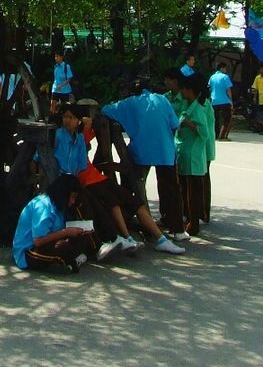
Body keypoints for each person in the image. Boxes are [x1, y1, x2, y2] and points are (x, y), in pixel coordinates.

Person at [54, 103, 181, 256]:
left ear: (78, 120)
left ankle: (161, 239)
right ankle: (126, 237)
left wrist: (85, 122)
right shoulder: (60, 136)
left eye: (71, 117)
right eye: (65, 117)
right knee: (113, 202)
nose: (67, 120)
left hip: (97, 177)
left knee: (135, 202)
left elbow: (91, 123)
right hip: (84, 181)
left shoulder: (81, 136)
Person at [102, 79, 186, 242]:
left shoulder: (130, 103)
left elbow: (106, 109)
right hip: (165, 151)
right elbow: (175, 124)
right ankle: (178, 229)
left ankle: (130, 219)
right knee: (172, 189)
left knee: (129, 183)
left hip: (141, 152)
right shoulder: (162, 99)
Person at [11, 174, 97, 273]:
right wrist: (66, 232)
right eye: (72, 197)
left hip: (48, 243)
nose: (73, 201)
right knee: (62, 247)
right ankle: (71, 261)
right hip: (29, 252)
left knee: (82, 236)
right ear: (64, 194)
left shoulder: (58, 205)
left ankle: (70, 259)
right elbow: (38, 241)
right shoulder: (43, 206)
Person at [176, 75, 214, 236]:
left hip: (194, 155)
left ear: (190, 90)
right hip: (185, 152)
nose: (181, 91)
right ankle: (188, 219)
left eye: (183, 88)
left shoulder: (199, 108)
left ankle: (194, 222)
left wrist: (189, 124)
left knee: (194, 191)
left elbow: (205, 133)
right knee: (185, 189)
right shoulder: (188, 106)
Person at [207, 63, 234, 140]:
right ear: (221, 68)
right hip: (224, 101)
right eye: (225, 68)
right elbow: (228, 90)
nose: (226, 70)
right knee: (226, 119)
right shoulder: (225, 77)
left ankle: (215, 135)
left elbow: (209, 88)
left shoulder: (212, 77)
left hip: (214, 101)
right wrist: (231, 101)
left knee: (215, 119)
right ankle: (222, 136)